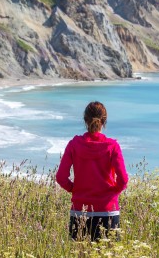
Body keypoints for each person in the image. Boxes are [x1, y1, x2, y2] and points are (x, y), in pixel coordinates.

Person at [55, 101, 129, 241]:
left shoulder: (74, 144)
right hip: (108, 211)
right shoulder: (112, 146)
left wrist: (75, 189)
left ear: (85, 120)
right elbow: (123, 179)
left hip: (80, 211)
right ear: (104, 121)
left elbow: (61, 177)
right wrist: (111, 193)